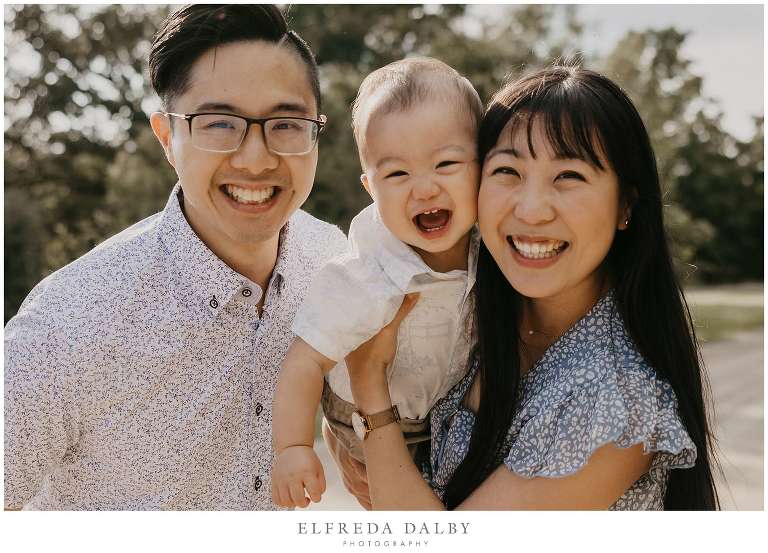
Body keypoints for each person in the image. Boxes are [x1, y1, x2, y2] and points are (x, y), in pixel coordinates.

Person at [4, 4, 347, 510]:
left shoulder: (333, 264)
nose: (256, 158)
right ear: (167, 137)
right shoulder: (69, 324)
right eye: (219, 124)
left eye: (286, 124)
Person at [343, 65, 721, 510]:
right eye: (508, 171)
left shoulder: (617, 400)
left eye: (569, 177)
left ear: (625, 205)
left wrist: (370, 392)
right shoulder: (464, 315)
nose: (532, 209)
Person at [271, 58, 483, 509]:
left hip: (441, 413)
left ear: (482, 165)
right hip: (364, 420)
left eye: (446, 163)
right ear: (370, 187)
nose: (423, 189)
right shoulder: (364, 275)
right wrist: (292, 448)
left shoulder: (491, 255)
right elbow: (305, 360)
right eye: (397, 174)